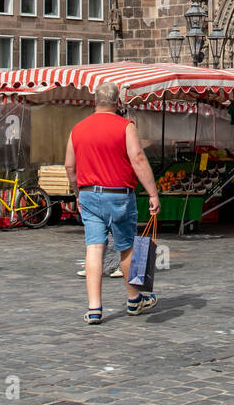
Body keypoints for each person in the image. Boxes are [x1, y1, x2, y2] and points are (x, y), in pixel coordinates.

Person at [64, 81, 161, 325]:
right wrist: (152, 193)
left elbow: (69, 166)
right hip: (118, 194)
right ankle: (133, 299)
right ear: (117, 102)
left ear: (95, 101)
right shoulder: (125, 126)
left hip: (88, 194)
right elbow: (138, 158)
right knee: (126, 246)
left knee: (94, 248)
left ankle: (94, 307)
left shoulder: (78, 129)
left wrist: (77, 192)